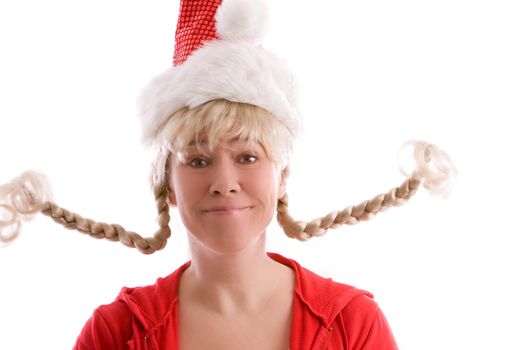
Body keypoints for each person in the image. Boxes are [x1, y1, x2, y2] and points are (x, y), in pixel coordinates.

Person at [0, 0, 456, 348]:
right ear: (167, 185)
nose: (224, 181)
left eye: (248, 157)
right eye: (197, 160)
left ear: (283, 178)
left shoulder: (353, 323)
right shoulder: (116, 332)